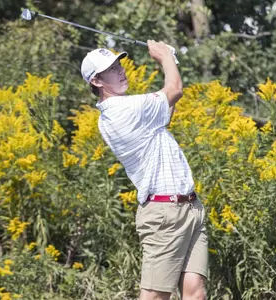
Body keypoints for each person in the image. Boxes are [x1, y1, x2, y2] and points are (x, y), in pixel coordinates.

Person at [81, 41, 208, 300]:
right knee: (154, 297)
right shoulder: (120, 110)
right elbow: (174, 90)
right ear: (96, 81)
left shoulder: (131, 108)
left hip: (190, 208)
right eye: (111, 69)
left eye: (119, 65)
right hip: (164, 215)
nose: (121, 71)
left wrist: (172, 60)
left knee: (195, 293)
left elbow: (166, 115)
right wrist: (165, 58)